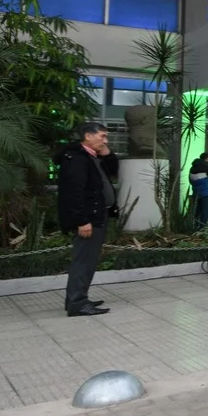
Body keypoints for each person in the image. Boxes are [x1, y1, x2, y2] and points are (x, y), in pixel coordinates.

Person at [55, 122, 116, 317]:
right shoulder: (77, 159)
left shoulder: (92, 156)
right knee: (83, 261)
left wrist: (106, 152)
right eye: (102, 136)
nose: (105, 140)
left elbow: (114, 170)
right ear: (88, 136)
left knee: (88, 260)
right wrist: (82, 221)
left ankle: (76, 299)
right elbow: (74, 193)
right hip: (88, 218)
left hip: (96, 215)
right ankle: (77, 303)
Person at [189, 152, 208, 229]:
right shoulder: (207, 167)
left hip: (196, 193)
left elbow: (191, 181)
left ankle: (195, 227)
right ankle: (201, 228)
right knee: (206, 212)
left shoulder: (192, 168)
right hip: (207, 193)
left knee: (198, 212)